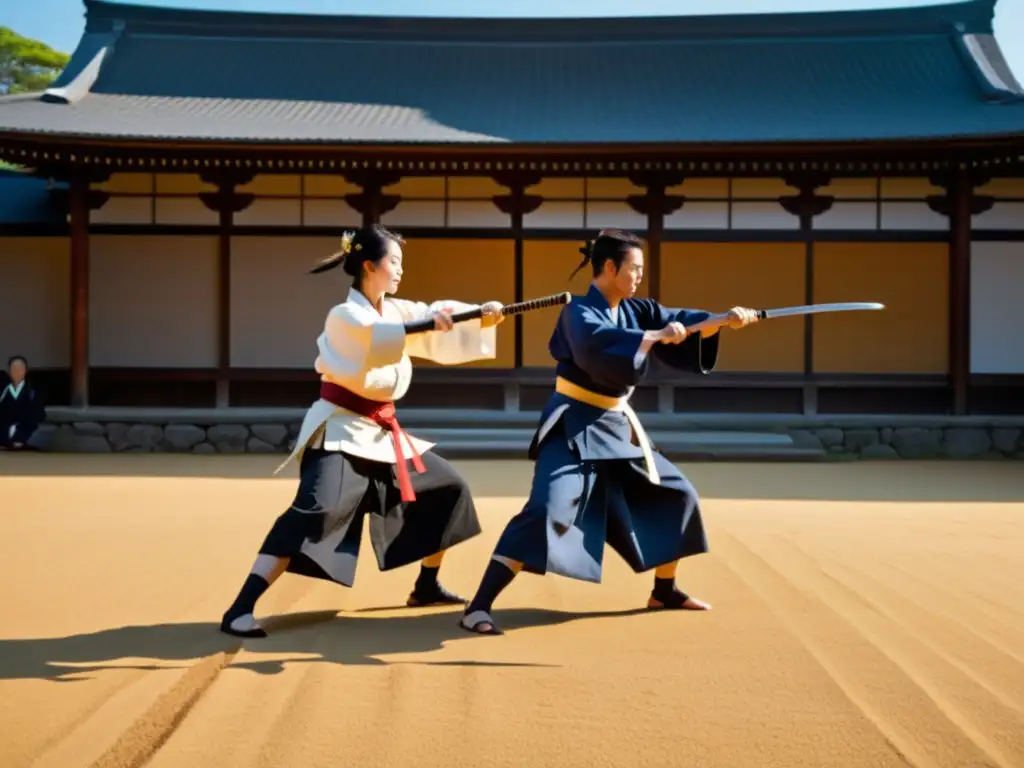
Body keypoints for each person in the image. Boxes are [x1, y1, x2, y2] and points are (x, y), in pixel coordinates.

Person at [459, 229, 760, 635]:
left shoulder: (638, 309)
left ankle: (664, 590)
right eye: (633, 269)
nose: (638, 276)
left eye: (640, 269)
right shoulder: (578, 312)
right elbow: (601, 347)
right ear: (609, 268)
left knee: (676, 493)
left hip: (619, 425)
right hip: (574, 422)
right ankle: (478, 606)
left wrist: (722, 320)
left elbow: (682, 319)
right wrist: (651, 338)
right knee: (547, 508)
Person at [221, 225, 505, 639]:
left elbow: (432, 310)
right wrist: (428, 325)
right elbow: (379, 341)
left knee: (448, 489)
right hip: (339, 429)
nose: (400, 271)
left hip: (381, 435)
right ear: (369, 266)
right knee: (315, 509)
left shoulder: (394, 310)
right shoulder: (345, 315)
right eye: (394, 262)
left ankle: (425, 586)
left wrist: (481, 312)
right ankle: (239, 609)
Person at [0, 355, 46, 451]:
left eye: (20, 369)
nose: (16, 373)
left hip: (25, 428)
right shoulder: (4, 391)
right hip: (5, 427)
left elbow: (38, 414)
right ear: (9, 372)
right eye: (13, 370)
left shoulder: (32, 392)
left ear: (25, 371)